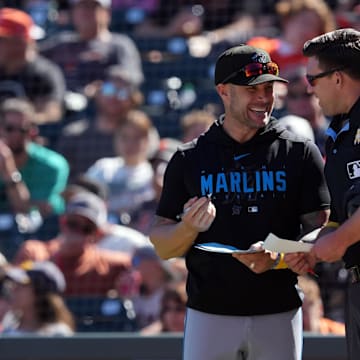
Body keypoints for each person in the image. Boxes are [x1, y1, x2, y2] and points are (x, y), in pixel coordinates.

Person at [149, 44, 330, 360]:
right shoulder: (189, 158)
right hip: (210, 312)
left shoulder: (298, 152)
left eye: (269, 88)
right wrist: (188, 228)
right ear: (223, 91)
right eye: (252, 89)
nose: (264, 97)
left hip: (279, 309)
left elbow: (323, 230)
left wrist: (280, 256)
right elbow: (163, 245)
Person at [284, 28, 360, 360]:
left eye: (313, 80)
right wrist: (305, 248)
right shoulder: (339, 136)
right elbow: (342, 218)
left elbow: (342, 233)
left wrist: (339, 240)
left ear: (339, 78)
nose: (310, 90)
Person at [13, 191, 131, 296]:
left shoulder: (108, 265)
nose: (77, 233)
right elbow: (12, 290)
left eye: (87, 228)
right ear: (63, 222)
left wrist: (130, 280)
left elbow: (141, 264)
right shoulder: (34, 253)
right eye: (73, 224)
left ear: (97, 234)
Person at [0, 97, 69, 259]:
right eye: (9, 128)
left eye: (23, 130)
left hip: (36, 235)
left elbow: (27, 208)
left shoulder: (52, 165)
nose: (16, 135)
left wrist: (9, 170)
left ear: (33, 131)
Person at [39, 0, 144, 95]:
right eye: (81, 7)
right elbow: (32, 59)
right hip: (63, 107)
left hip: (104, 106)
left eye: (92, 7)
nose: (86, 12)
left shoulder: (120, 44)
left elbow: (132, 77)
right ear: (73, 13)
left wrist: (105, 86)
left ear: (107, 13)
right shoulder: (61, 43)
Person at [0, 7, 66, 126]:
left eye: (2, 40)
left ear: (20, 43)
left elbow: (52, 113)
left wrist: (15, 125)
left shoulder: (43, 73)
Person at [0, 260, 75, 336]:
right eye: (15, 283)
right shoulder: (7, 325)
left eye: (22, 283)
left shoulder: (58, 334)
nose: (14, 289)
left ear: (40, 291)